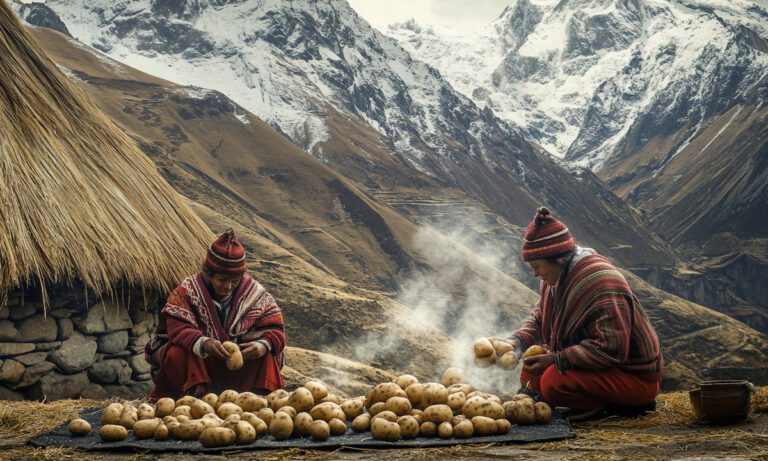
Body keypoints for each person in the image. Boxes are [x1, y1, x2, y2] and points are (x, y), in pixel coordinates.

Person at [506, 207, 663, 419]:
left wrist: (557, 358)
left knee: (553, 382)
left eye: (537, 266)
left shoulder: (601, 283)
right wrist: (516, 341)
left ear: (558, 259)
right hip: (596, 368)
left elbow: (611, 347)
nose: (535, 274)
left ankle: (621, 406)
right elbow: (541, 316)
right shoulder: (556, 278)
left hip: (632, 378)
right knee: (531, 372)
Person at [146, 229, 286, 398]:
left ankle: (259, 402)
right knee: (178, 353)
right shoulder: (186, 292)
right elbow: (177, 328)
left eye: (234, 281)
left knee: (266, 356)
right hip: (201, 365)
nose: (228, 286)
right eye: (222, 280)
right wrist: (203, 343)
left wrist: (263, 345)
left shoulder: (255, 295)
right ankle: (191, 400)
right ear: (208, 274)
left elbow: (275, 330)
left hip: (238, 371)